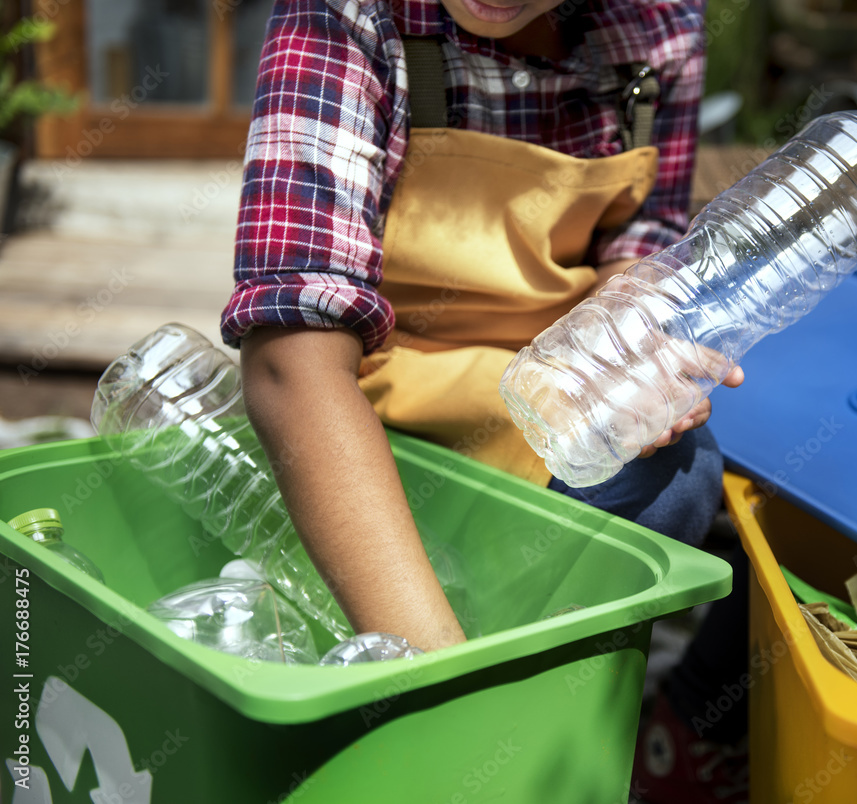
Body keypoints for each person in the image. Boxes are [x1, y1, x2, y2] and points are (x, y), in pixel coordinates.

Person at [222, 0, 746, 800]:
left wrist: (634, 338)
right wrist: (441, 691)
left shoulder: (658, 27)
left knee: (678, 474)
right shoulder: (347, 16)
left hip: (536, 398)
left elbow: (641, 238)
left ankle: (544, 739)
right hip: (368, 409)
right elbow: (292, 361)